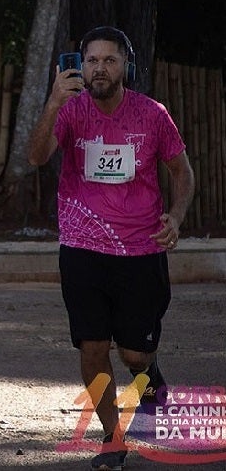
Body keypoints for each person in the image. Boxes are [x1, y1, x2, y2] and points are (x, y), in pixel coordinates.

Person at [27, 26, 194, 471]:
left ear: (126, 66)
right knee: (93, 347)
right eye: (92, 60)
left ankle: (148, 374)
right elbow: (37, 156)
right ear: (80, 66)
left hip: (141, 249)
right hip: (82, 249)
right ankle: (112, 437)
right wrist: (52, 103)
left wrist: (175, 218)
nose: (100, 68)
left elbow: (182, 172)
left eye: (110, 60)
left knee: (134, 352)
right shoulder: (69, 111)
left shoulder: (152, 114)